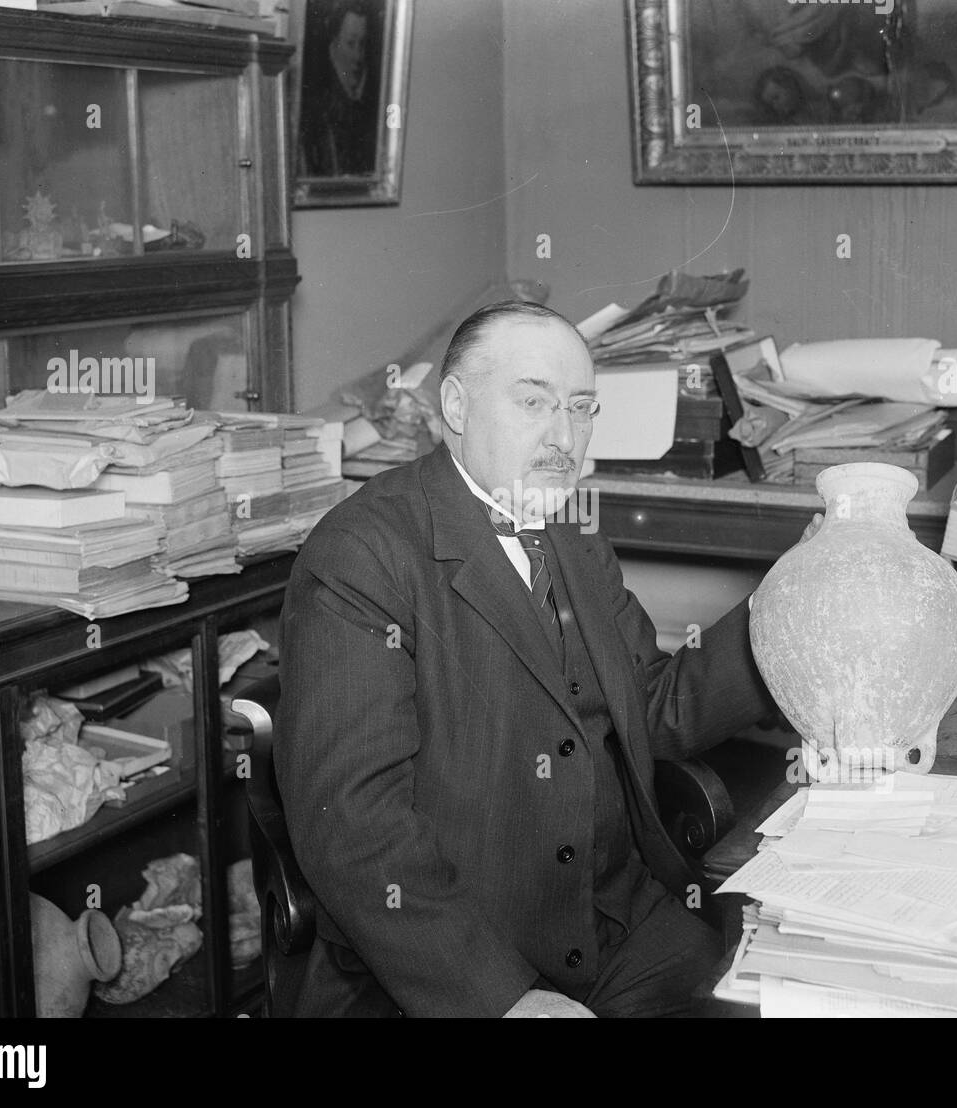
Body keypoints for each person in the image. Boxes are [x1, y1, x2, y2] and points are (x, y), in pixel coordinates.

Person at [275, 300, 779, 1017]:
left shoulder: (572, 538)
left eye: (580, 408)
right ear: (455, 404)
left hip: (617, 928)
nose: (563, 436)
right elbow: (353, 826)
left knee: (774, 991)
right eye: (534, 402)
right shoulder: (361, 556)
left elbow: (651, 710)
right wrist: (502, 999)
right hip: (449, 964)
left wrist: (780, 616)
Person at [298, 0, 377, 178]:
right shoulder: (316, 104)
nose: (358, 56)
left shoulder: (373, 100)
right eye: (350, 43)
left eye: (362, 44)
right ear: (334, 43)